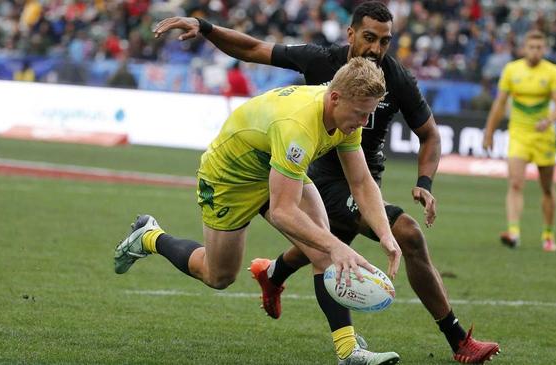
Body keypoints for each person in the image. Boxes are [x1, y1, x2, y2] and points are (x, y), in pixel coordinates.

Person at [154, 2, 500, 363]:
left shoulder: (385, 86)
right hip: (244, 173)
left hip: (295, 169)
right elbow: (254, 48)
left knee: (330, 246)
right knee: (224, 273)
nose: (376, 49)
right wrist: (206, 27)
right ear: (350, 35)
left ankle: (300, 300)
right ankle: (154, 237)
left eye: (385, 41)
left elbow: (368, 177)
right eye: (369, 38)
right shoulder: (315, 82)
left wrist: (386, 231)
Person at [114, 58, 403, 365]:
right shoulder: (298, 127)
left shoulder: (346, 113)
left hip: (273, 165)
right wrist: (338, 247)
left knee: (321, 248)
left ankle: (348, 352)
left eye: (368, 113)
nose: (364, 121)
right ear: (335, 98)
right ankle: (149, 236)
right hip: (230, 175)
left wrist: (385, 234)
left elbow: (360, 181)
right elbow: (282, 212)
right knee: (218, 275)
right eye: (361, 114)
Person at [483, 30, 556, 252]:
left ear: (545, 49)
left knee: (547, 187)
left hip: (544, 136)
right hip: (519, 133)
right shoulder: (512, 70)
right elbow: (500, 104)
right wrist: (489, 132)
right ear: (524, 48)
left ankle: (548, 234)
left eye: (539, 47)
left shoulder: (553, 72)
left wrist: (549, 120)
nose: (535, 51)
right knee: (515, 183)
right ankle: (513, 232)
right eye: (531, 47)